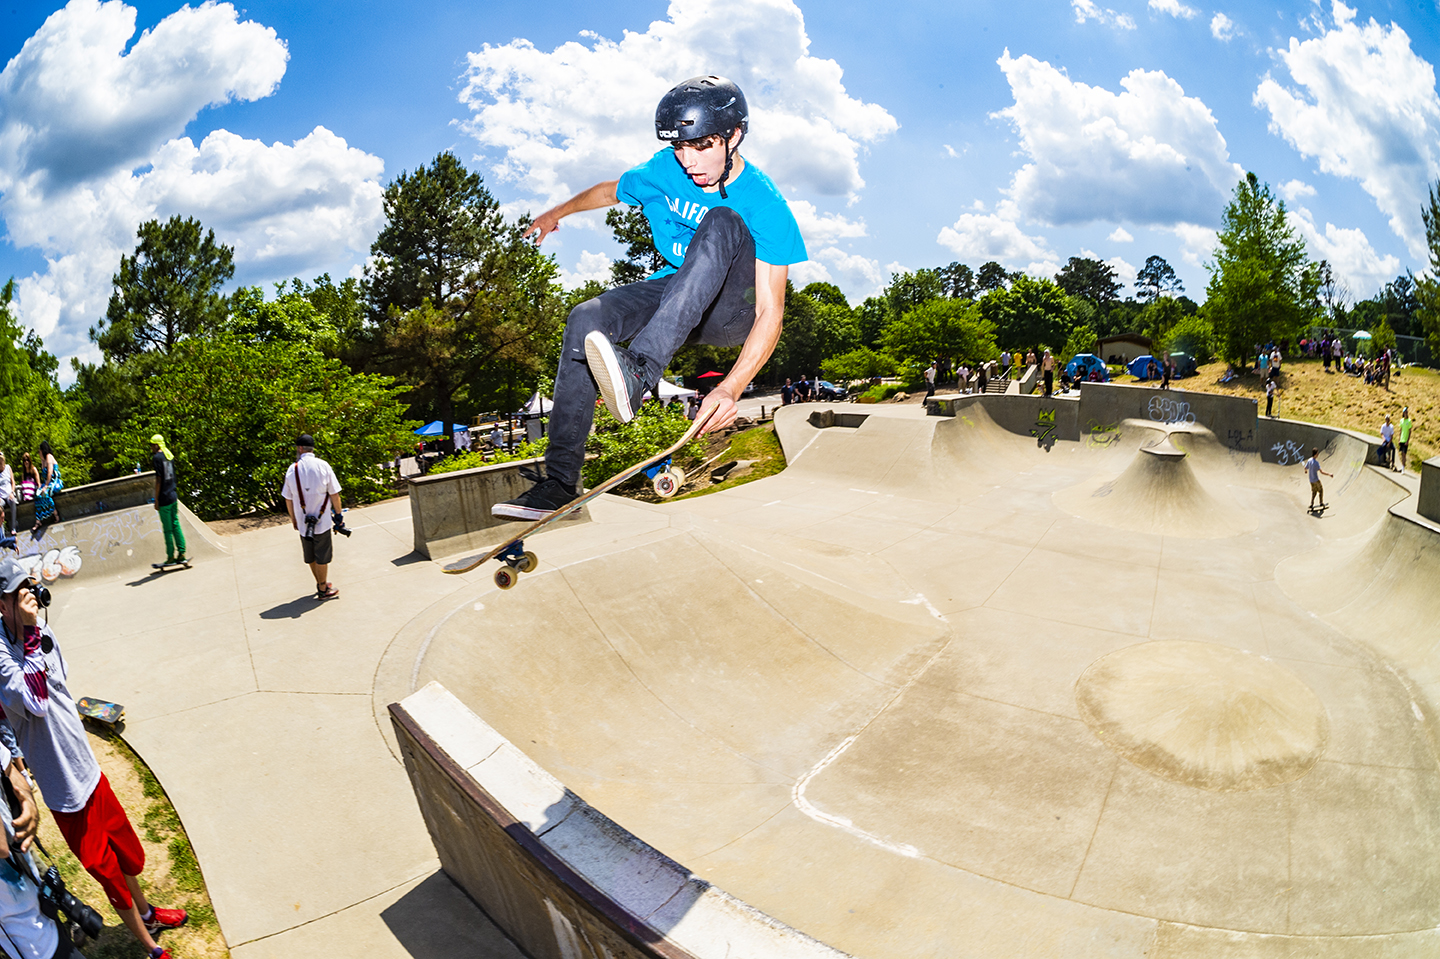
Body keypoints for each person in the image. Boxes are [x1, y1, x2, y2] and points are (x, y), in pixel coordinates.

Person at [492, 76, 805, 521]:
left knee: (722, 220)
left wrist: (731, 387)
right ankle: (560, 482)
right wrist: (554, 213)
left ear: (734, 135)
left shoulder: (766, 203)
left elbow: (772, 312)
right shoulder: (663, 170)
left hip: (731, 312)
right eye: (680, 148)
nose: (689, 161)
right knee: (586, 319)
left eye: (702, 147)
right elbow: (607, 190)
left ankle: (641, 369)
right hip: (677, 295)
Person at [0, 561, 185, 958]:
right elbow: (34, 700)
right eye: (19, 594)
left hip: (88, 770)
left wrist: (34, 631)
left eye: (28, 588)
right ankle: (152, 948)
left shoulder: (35, 631)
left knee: (128, 853)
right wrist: (30, 634)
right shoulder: (1, 657)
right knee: (110, 875)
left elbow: (59, 678)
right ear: (2, 605)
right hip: (65, 790)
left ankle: (147, 911)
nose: (29, 597)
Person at [281, 434, 343, 600]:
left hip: (303, 523)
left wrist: (293, 518)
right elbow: (335, 494)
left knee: (310, 555)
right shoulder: (323, 466)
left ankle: (320, 583)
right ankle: (323, 589)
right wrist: (339, 515)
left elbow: (288, 498)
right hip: (321, 521)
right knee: (322, 555)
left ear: (300, 449)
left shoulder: (291, 469)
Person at [148, 436, 186, 567]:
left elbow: (159, 479)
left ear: (157, 445)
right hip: (173, 495)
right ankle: (182, 553)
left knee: (168, 530)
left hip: (164, 497)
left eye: (152, 445)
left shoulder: (157, 458)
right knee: (176, 525)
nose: (151, 448)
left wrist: (156, 499)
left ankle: (170, 557)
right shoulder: (169, 455)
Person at [28, 446, 59, 541]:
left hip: (54, 481)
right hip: (47, 482)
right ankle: (38, 521)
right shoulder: (43, 460)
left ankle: (55, 514)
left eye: (39, 451)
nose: (38, 453)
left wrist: (45, 486)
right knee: (37, 495)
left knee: (45, 493)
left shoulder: (49, 456)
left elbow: (50, 473)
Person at [0, 455, 13, 537]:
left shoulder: (7, 467)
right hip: (1, 497)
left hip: (9, 494)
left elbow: (12, 481)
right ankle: (2, 534)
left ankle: (14, 527)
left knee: (13, 501)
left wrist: (12, 492)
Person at [1398, 407, 1414, 473]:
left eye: (1406, 412)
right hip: (1401, 439)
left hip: (1405, 440)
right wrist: (1399, 439)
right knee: (1402, 454)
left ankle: (1403, 468)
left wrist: (1407, 441)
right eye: (1404, 412)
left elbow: (1410, 431)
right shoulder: (1401, 420)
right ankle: (1402, 466)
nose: (1406, 413)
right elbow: (1400, 430)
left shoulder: (1409, 421)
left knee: (1404, 453)